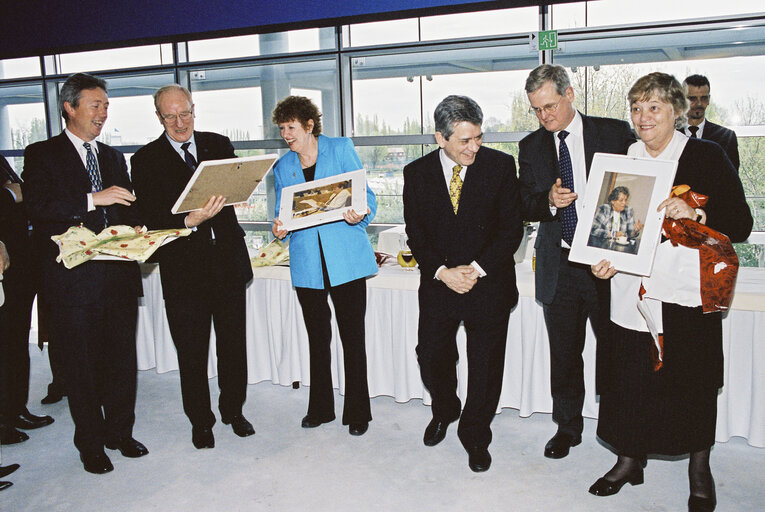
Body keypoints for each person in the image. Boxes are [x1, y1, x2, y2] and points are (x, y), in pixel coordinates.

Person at [589, 72, 752, 512]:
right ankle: (628, 460)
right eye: (637, 108)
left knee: (692, 384)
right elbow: (611, 229)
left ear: (677, 111)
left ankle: (699, 470)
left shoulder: (705, 155)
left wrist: (697, 210)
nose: (643, 118)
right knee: (629, 382)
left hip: (685, 295)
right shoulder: (623, 160)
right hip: (630, 294)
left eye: (654, 107)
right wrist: (601, 261)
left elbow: (741, 224)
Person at [23, 73, 148, 474]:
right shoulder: (42, 153)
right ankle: (91, 445)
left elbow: (126, 206)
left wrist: (138, 226)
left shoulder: (113, 156)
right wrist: (92, 199)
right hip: (73, 283)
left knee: (121, 362)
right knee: (82, 367)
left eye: (106, 105)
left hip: (118, 278)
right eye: (95, 105)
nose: (103, 113)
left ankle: (120, 433)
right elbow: (38, 208)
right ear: (69, 107)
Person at [518, 64, 635, 459]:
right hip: (560, 264)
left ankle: (622, 433)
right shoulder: (531, 147)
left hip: (608, 264)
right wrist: (548, 202)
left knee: (617, 351)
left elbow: (642, 185)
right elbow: (523, 203)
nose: (545, 116)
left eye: (550, 106)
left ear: (570, 94)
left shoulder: (615, 132)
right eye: (536, 110)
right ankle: (567, 428)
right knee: (564, 355)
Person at [131, 84, 254, 449]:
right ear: (159, 117)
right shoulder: (145, 159)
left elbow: (237, 184)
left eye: (185, 113)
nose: (180, 122)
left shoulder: (218, 143)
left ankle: (233, 410)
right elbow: (149, 217)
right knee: (192, 352)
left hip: (228, 265)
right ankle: (200, 421)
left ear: (194, 109)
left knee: (233, 347)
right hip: (184, 273)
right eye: (170, 116)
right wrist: (189, 220)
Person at [403, 95, 522, 472]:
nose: (474, 148)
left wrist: (475, 269)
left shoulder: (501, 166)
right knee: (431, 354)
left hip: (488, 281)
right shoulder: (416, 173)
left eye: (478, 138)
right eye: (464, 141)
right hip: (440, 283)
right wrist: (442, 272)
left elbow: (510, 230)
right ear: (440, 138)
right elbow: (416, 233)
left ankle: (475, 432)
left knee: (485, 364)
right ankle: (446, 408)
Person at [271, 95, 376, 437]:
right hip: (307, 263)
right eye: (282, 129)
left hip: (345, 259)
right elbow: (282, 214)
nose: (286, 135)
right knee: (318, 338)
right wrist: (280, 228)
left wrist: (359, 213)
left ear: (309, 125)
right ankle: (320, 408)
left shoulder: (340, 148)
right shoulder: (282, 167)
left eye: (291, 127)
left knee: (352, 337)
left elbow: (367, 199)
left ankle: (358, 411)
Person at [0, 156, 54, 446]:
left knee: (16, 344)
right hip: (5, 267)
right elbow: (13, 196)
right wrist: (11, 193)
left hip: (18, 264)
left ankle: (15, 411)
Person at [681, 74, 739, 171]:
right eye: (692, 98)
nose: (699, 103)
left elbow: (731, 180)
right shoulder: (669, 134)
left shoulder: (726, 137)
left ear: (708, 100)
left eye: (703, 98)